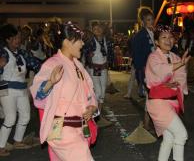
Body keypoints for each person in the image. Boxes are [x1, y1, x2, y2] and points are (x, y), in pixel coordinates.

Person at [30, 22, 98, 161]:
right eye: (79, 40)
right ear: (67, 42)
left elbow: (89, 93)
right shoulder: (52, 64)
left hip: (79, 128)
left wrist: (92, 107)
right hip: (62, 130)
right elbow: (37, 93)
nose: (82, 44)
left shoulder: (79, 66)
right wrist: (50, 83)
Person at [145, 25, 190, 161]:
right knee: (181, 134)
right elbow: (159, 72)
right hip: (158, 103)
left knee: (169, 139)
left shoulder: (175, 57)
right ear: (157, 42)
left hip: (171, 102)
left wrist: (173, 80)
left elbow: (180, 77)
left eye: (170, 37)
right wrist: (178, 66)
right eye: (164, 37)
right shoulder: (153, 57)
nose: (168, 40)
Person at [0, 24, 41, 156]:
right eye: (16, 38)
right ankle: (0, 146)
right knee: (11, 118)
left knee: (25, 116)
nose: (19, 40)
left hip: (22, 88)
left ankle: (17, 141)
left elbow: (35, 64)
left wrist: (50, 67)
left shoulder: (22, 53)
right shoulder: (2, 52)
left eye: (19, 38)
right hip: (6, 88)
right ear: (8, 39)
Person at [83, 21, 113, 128]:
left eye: (99, 28)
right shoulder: (91, 41)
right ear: (92, 31)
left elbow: (110, 54)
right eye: (95, 29)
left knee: (103, 92)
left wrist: (108, 63)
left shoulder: (107, 40)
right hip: (94, 69)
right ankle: (92, 113)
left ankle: (98, 116)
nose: (98, 30)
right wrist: (89, 58)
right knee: (98, 92)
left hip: (103, 69)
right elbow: (85, 54)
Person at [131, 6, 156, 130]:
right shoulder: (139, 36)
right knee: (150, 96)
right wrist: (141, 73)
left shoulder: (155, 34)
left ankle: (149, 121)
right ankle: (146, 123)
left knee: (154, 96)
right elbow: (137, 57)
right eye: (148, 20)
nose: (151, 22)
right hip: (147, 71)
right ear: (143, 21)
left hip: (157, 70)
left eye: (152, 19)